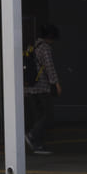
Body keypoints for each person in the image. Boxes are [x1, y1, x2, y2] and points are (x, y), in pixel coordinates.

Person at [23, 21, 61, 154]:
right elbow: (49, 67)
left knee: (38, 116)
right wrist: (56, 83)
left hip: (29, 87)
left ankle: (37, 145)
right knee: (47, 115)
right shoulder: (45, 48)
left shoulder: (32, 46)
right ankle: (32, 136)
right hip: (41, 87)